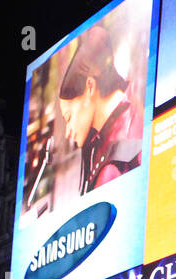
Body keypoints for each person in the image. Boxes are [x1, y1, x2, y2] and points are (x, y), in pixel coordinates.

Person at [57, 23, 143, 196]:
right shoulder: (133, 101)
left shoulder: (110, 169)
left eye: (68, 117)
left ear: (90, 87)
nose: (68, 132)